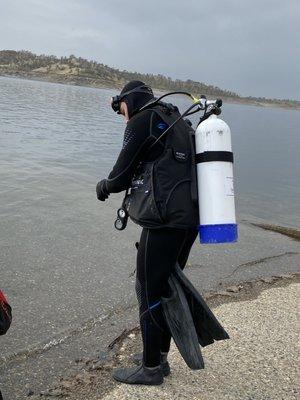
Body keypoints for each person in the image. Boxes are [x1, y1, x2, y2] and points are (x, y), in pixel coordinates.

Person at [96, 80, 199, 385]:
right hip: (189, 219)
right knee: (164, 284)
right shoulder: (172, 117)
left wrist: (103, 187)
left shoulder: (143, 120)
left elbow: (119, 176)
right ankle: (160, 358)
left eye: (121, 108)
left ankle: (151, 367)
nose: (122, 116)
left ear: (127, 101)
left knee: (147, 287)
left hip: (163, 220)